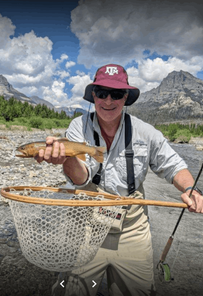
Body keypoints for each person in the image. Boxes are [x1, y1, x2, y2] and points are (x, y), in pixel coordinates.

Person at [35, 64, 203, 296]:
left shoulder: (146, 133)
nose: (108, 100)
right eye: (102, 93)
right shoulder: (78, 127)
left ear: (126, 98)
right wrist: (66, 160)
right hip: (86, 227)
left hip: (133, 231)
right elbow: (82, 179)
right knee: (71, 292)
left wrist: (190, 189)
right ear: (93, 96)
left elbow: (174, 166)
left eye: (116, 94)